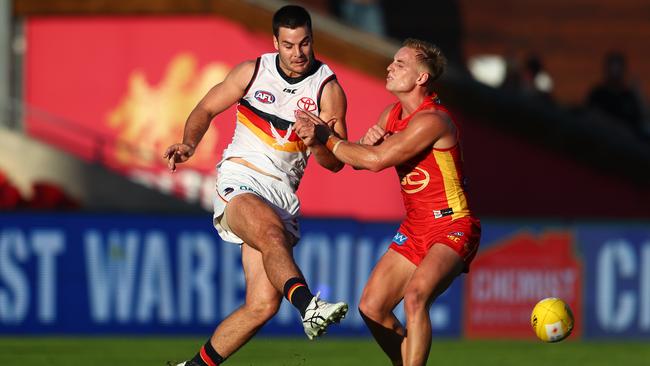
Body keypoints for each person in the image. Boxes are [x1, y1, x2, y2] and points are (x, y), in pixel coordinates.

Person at [163, 5, 349, 366]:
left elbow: (336, 162)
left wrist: (317, 141)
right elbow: (204, 110)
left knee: (262, 305)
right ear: (275, 43)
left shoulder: (328, 90)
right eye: (289, 45)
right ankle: (310, 307)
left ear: (313, 40)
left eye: (305, 43)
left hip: (282, 195)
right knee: (270, 235)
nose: (298, 53)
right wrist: (189, 144)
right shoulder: (252, 72)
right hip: (240, 179)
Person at [295, 38, 481, 366]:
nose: (389, 68)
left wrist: (329, 137)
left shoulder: (433, 120)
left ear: (421, 78)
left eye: (400, 64)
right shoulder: (391, 114)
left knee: (415, 297)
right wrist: (333, 142)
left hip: (452, 223)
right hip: (416, 227)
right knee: (372, 307)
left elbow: (376, 161)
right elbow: (358, 158)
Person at [587, 51, 645, 136]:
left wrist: (639, 94)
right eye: (612, 67)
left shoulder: (629, 96)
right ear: (606, 69)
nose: (615, 71)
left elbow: (639, 120)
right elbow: (589, 116)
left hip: (626, 141)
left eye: (618, 67)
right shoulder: (597, 94)